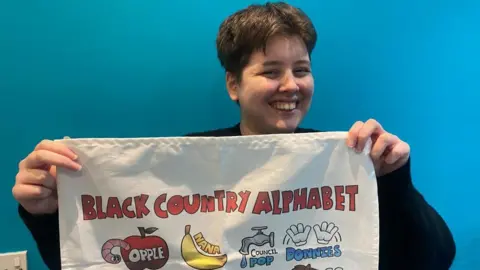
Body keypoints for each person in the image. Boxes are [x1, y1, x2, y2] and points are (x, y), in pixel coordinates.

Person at [12, 2, 455, 270]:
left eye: (302, 70)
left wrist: (392, 180)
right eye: (270, 71)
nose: (291, 85)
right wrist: (49, 213)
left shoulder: (350, 161)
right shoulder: (181, 163)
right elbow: (93, 262)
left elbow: (434, 259)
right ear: (233, 84)